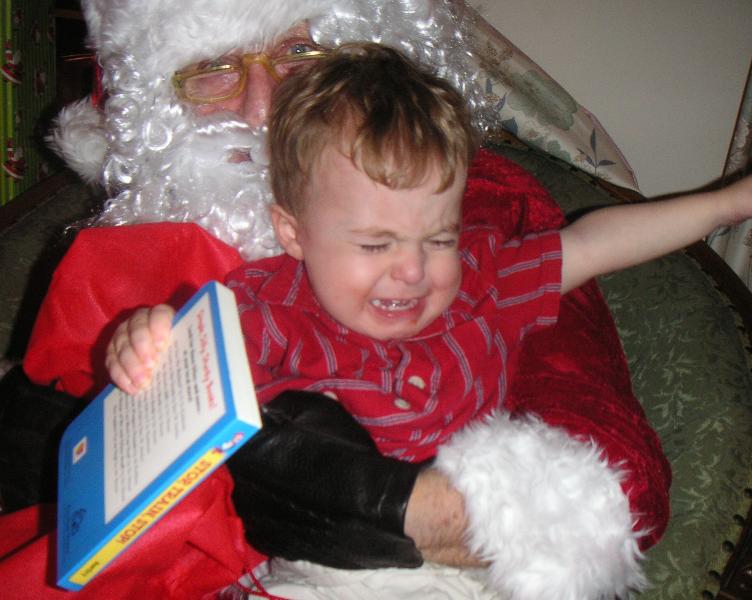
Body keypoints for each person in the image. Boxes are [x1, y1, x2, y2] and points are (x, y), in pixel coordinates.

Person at [0, 1, 665, 598]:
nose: (261, 107)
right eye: (212, 69)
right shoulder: (126, 247)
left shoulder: (459, 203)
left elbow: (606, 456)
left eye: (297, 52)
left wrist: (421, 507)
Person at [104, 42, 752, 599]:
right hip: (327, 569)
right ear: (293, 233)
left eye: (437, 237)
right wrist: (140, 340)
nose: (412, 271)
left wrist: (721, 206)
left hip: (476, 563)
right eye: (375, 245)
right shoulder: (268, 308)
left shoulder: (479, 284)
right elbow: (171, 383)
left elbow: (592, 243)